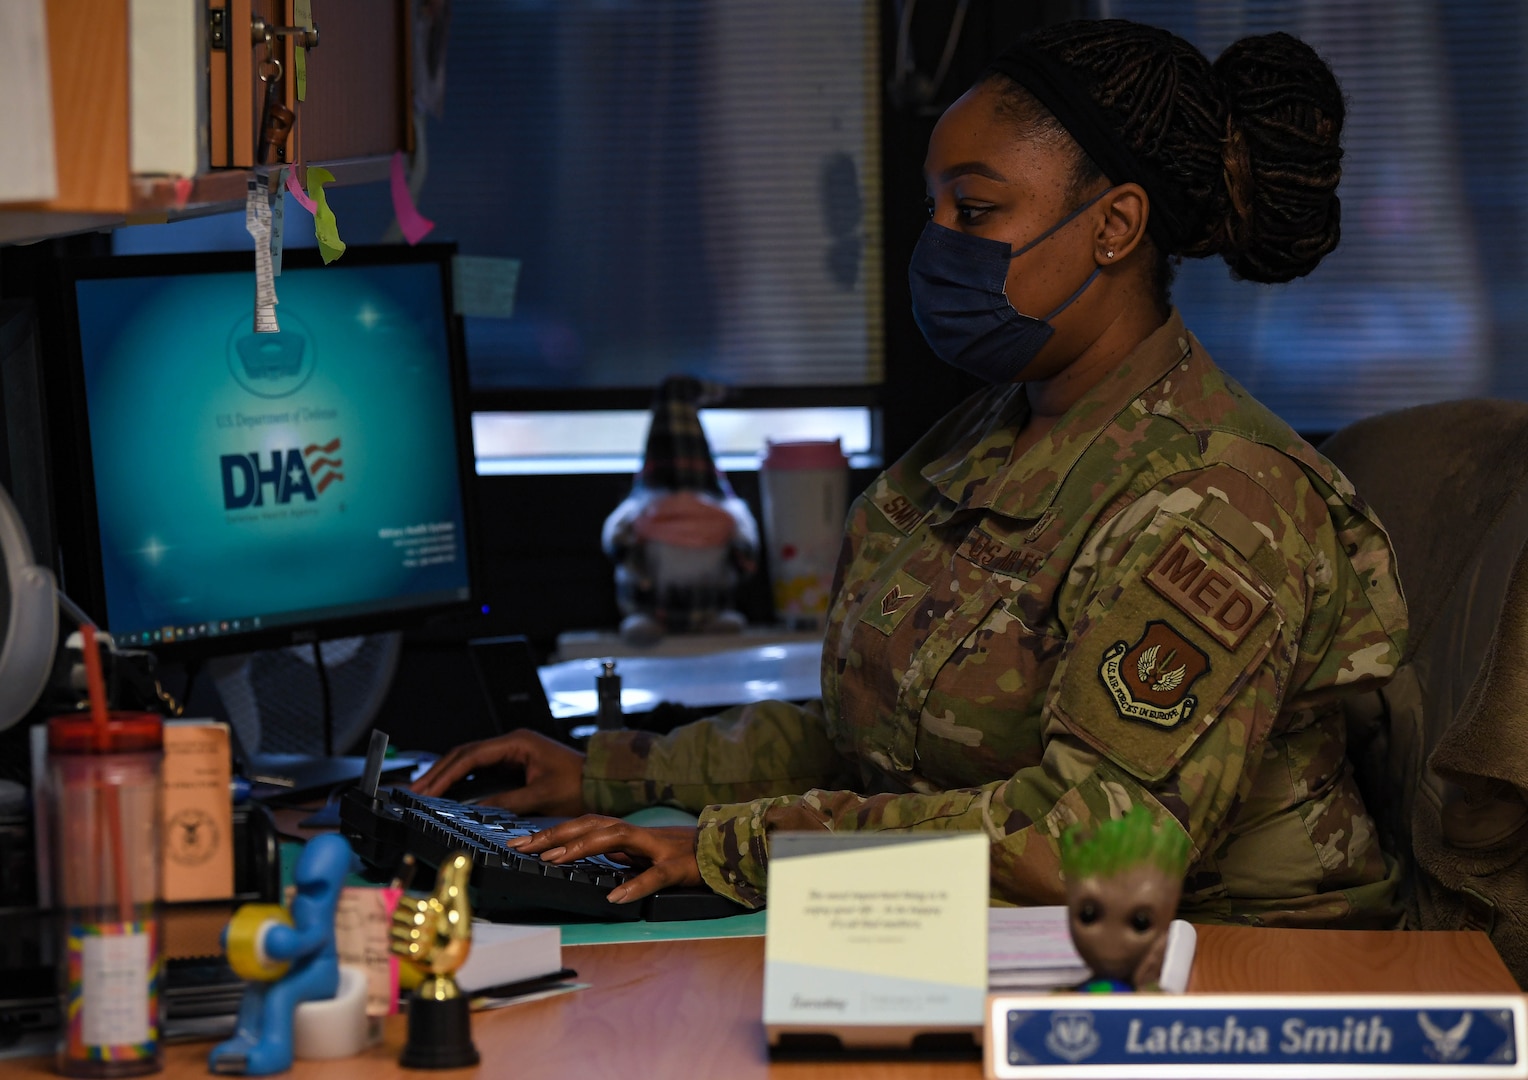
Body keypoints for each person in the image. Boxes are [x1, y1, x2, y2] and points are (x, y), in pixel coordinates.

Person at [416, 18, 1408, 927]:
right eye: (933, 206)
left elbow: (1093, 849)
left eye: (974, 209)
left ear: (1113, 227)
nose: (937, 243)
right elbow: (868, 742)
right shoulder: (984, 437)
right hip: (1028, 946)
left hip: (1236, 973)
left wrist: (721, 849)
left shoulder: (1222, 497)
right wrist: (604, 776)